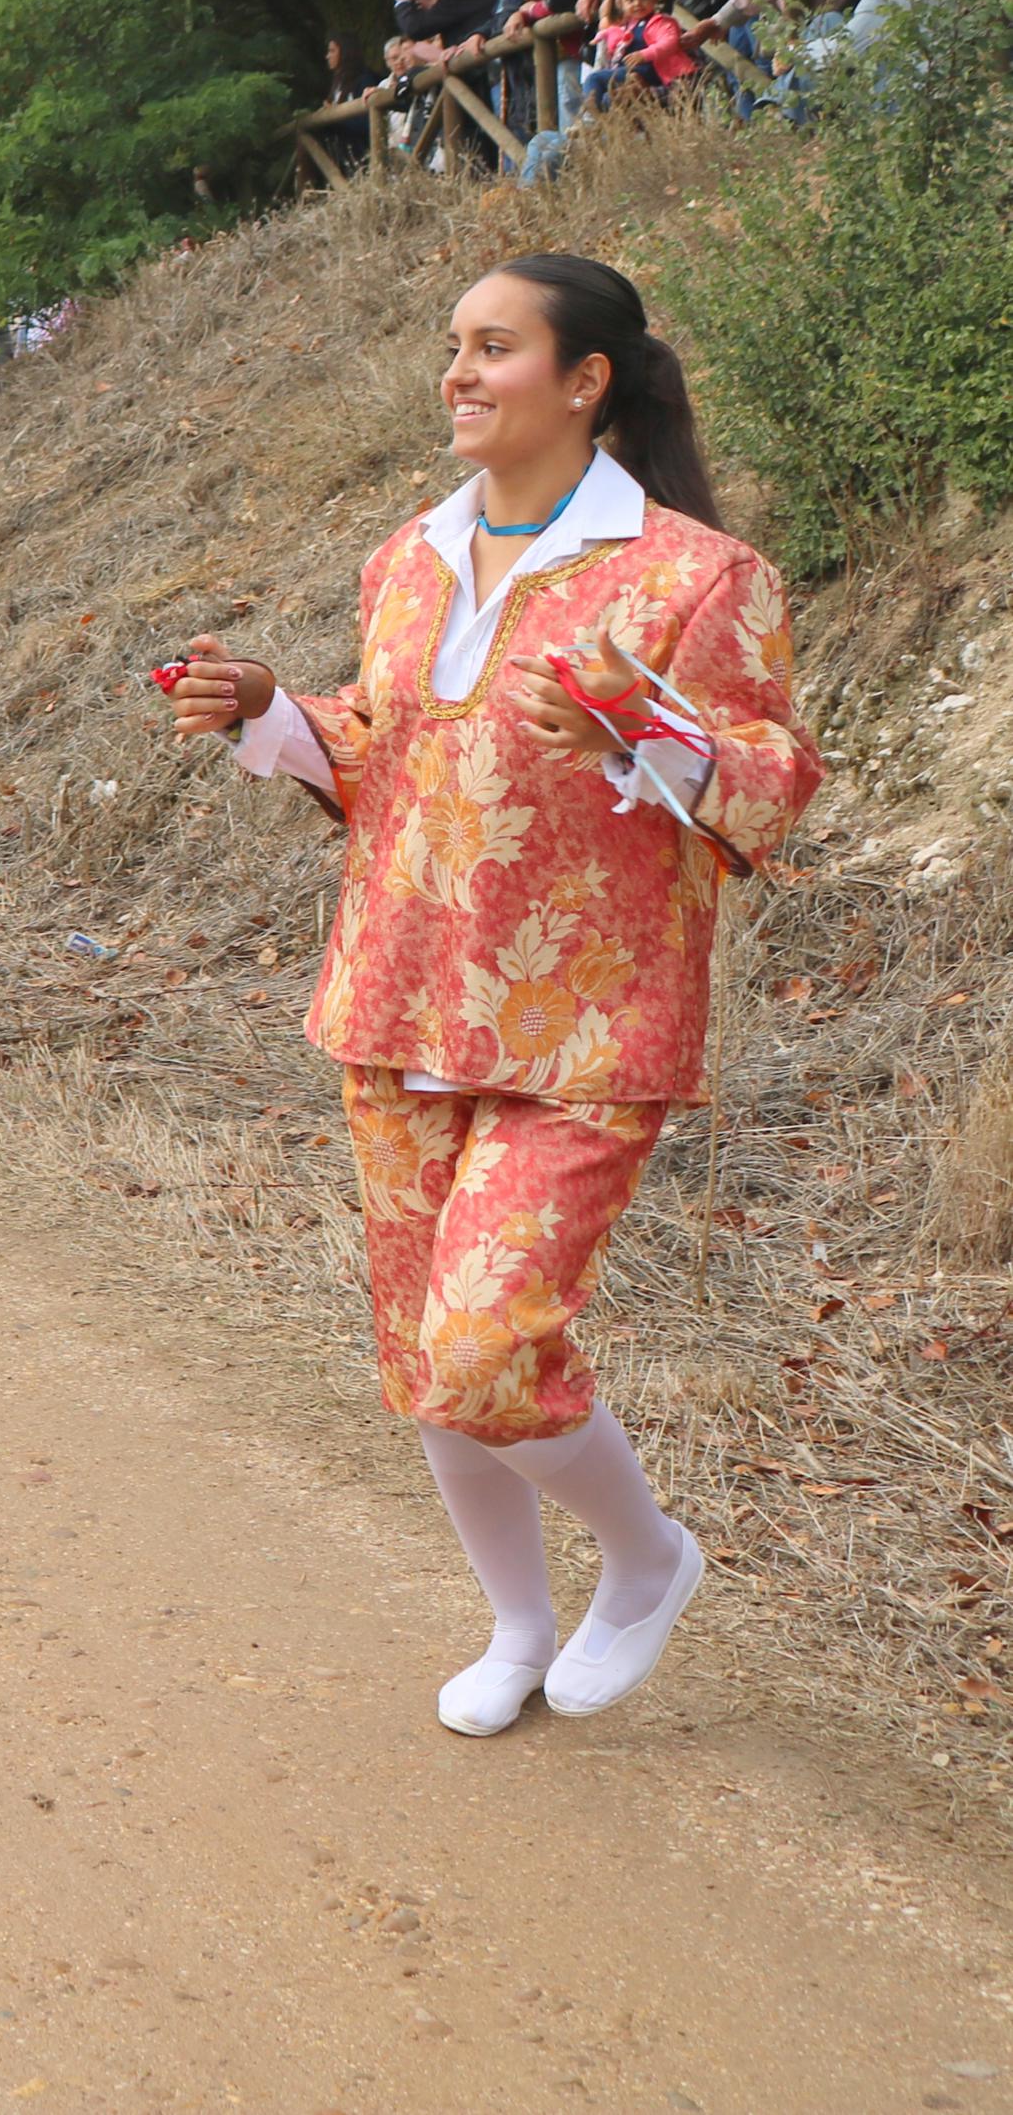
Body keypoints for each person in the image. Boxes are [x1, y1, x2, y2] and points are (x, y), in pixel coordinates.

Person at [168, 252, 819, 1735]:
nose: (455, 373)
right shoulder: (404, 556)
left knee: (479, 1338)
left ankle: (645, 1557)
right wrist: (272, 709)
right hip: (394, 995)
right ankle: (515, 1620)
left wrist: (633, 717)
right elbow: (385, 753)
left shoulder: (691, 575)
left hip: (587, 1017)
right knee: (421, 1355)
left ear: (581, 379)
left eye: (491, 346)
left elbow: (769, 787)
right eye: (449, 347)